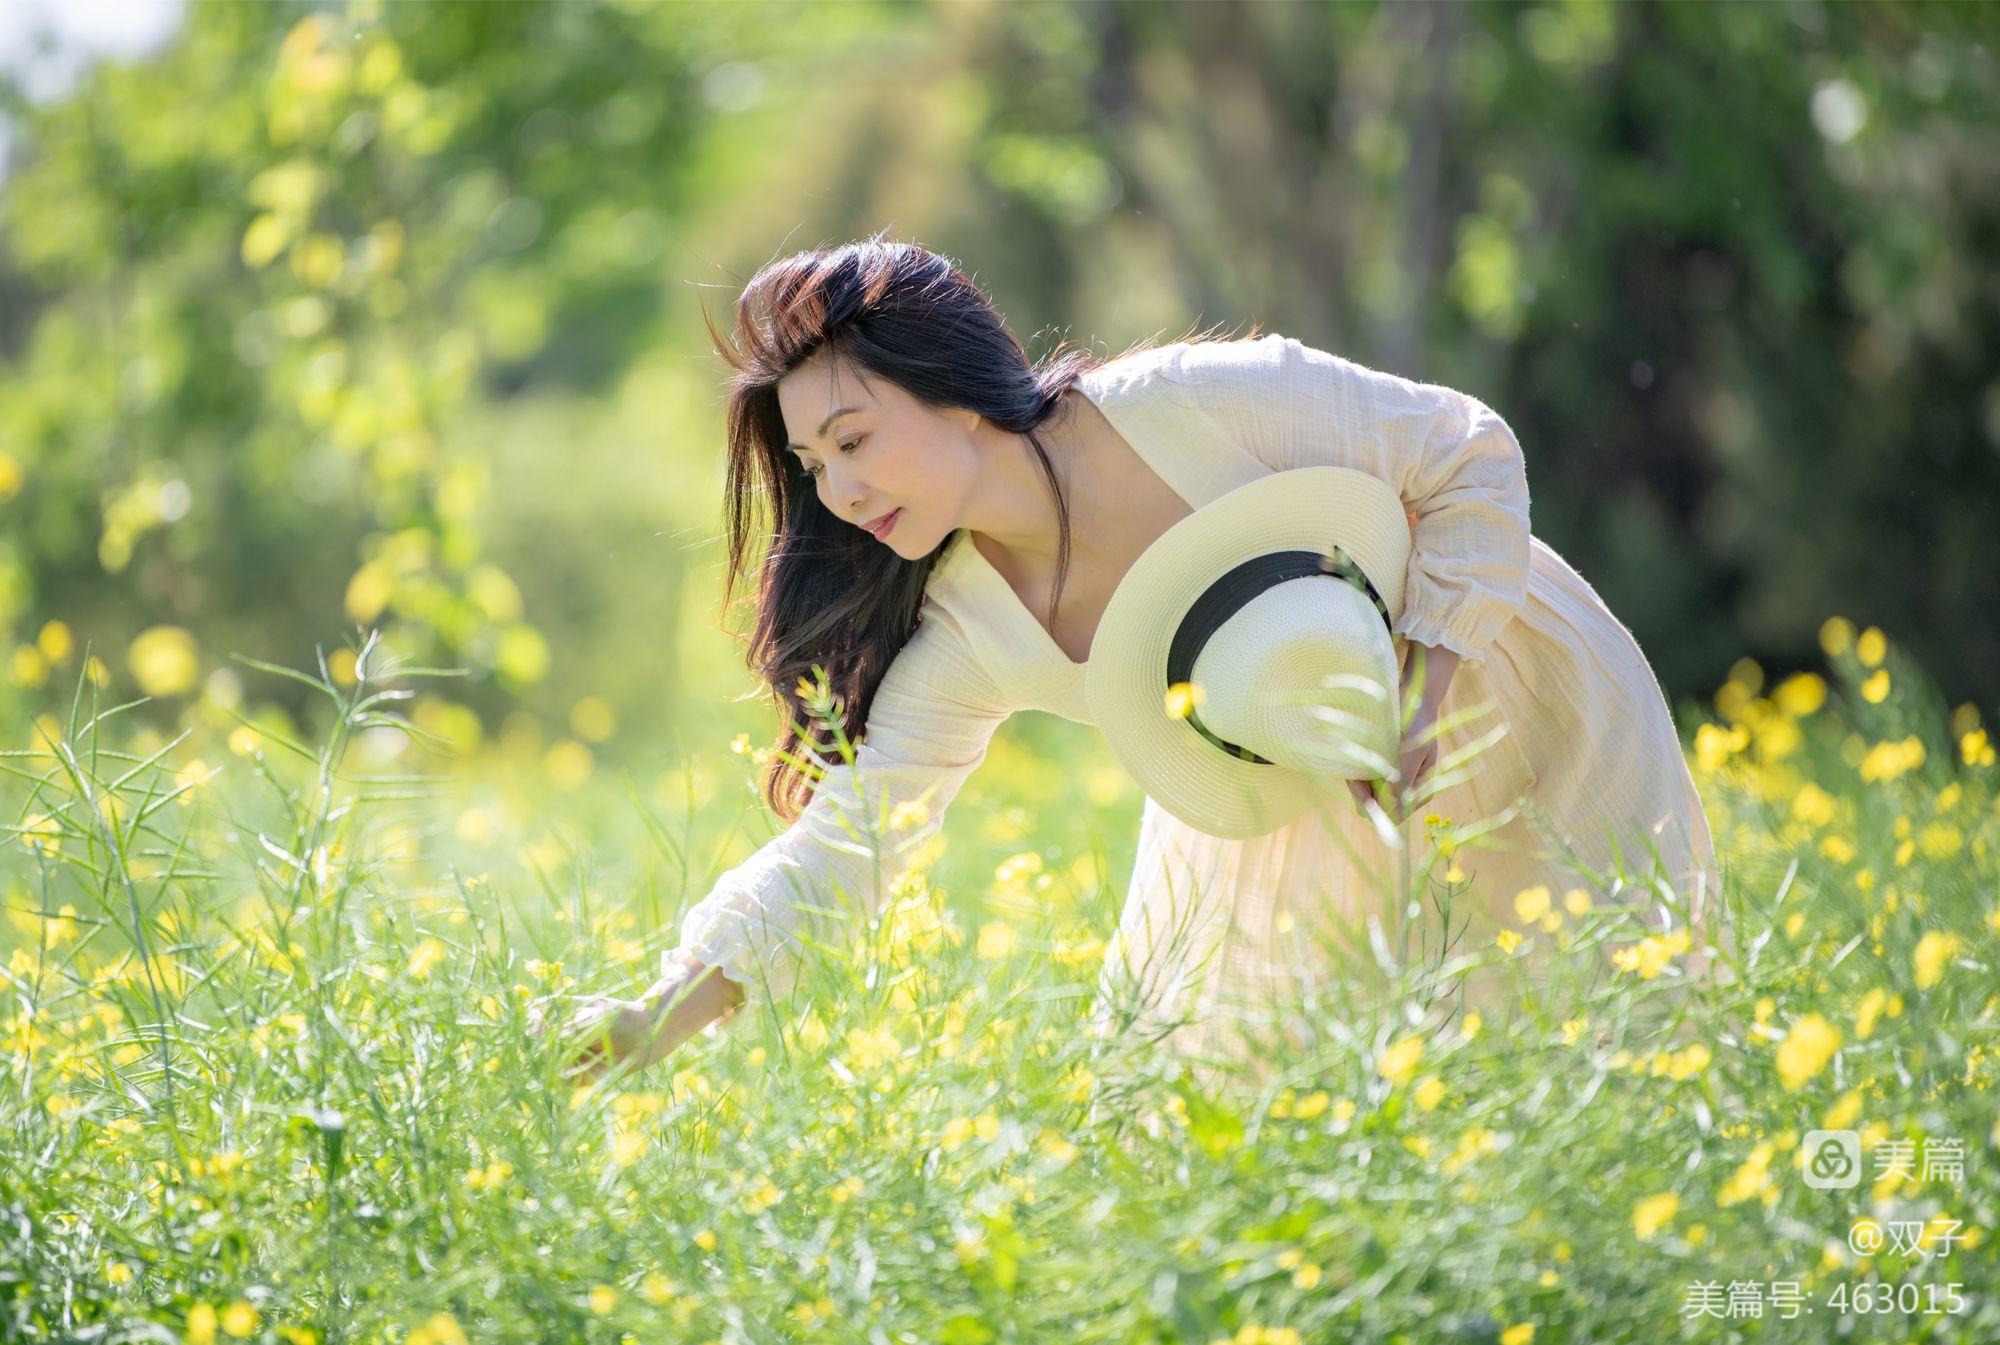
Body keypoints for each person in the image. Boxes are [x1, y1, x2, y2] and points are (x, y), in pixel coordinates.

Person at [529, 237, 1723, 1083]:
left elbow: (1465, 449)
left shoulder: (1193, 402)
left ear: (949, 392)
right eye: (815, 469)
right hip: (1288, 791)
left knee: (1604, 1045)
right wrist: (660, 1013)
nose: (839, 492)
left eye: (853, 439)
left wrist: (1428, 693)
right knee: (1255, 1111)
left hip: (1505, 686)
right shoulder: (966, 630)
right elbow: (854, 839)